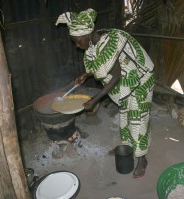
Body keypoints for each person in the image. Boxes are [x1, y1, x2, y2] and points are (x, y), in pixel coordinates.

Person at [56, 8, 155, 178]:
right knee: (125, 114)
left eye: (78, 41)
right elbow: (100, 65)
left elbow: (115, 76)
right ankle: (126, 147)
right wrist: (85, 75)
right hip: (127, 78)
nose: (77, 46)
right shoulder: (94, 43)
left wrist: (95, 99)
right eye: (74, 42)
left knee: (137, 117)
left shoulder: (110, 42)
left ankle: (142, 159)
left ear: (88, 34)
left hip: (141, 77)